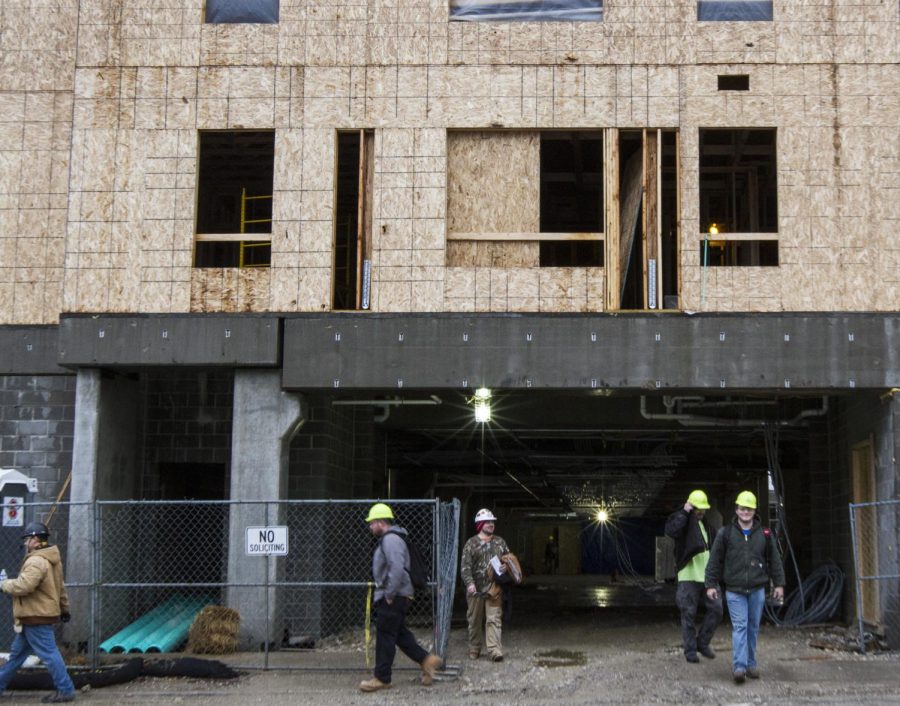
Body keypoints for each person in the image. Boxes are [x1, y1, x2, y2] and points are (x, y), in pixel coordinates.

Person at [359, 503, 441, 693]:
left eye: (372, 523)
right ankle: (426, 660)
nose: (370, 527)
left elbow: (396, 567)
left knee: (385, 636)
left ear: (381, 522)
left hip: (394, 595)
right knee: (398, 634)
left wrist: (389, 594)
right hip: (398, 594)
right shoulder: (394, 538)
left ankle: (382, 678)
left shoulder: (391, 540)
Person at [705, 491, 785, 684]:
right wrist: (710, 584)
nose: (745, 512)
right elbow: (715, 560)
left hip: (757, 589)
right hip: (734, 590)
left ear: (754, 510)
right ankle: (739, 667)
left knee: (753, 627)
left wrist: (779, 584)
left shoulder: (764, 534)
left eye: (749, 508)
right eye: (742, 508)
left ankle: (750, 664)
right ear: (737, 510)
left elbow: (774, 561)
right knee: (740, 626)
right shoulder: (726, 534)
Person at [0, 522, 76, 703]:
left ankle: (66, 690)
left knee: (49, 655)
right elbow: (60, 587)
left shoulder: (36, 561)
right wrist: (64, 608)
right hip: (35, 616)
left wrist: (3, 584)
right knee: (17, 656)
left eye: (27, 539)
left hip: (35, 616)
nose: (26, 543)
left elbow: (24, 586)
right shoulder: (51, 559)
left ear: (35, 539)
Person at [665, 489, 723, 663]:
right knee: (688, 614)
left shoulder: (705, 524)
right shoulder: (682, 521)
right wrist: (684, 511)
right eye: (698, 508)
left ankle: (702, 643)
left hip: (707, 577)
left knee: (717, 609)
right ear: (691, 506)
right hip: (688, 576)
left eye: (704, 509)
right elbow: (672, 531)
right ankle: (690, 650)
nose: (702, 511)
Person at [460, 508, 510, 662]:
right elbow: (465, 567)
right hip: (475, 589)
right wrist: (470, 584)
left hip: (494, 588)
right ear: (480, 524)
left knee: (494, 619)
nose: (491, 524)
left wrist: (506, 566)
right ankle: (475, 648)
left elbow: (509, 559)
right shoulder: (471, 544)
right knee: (474, 619)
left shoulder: (500, 542)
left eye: (492, 522)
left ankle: (495, 650)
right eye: (488, 522)